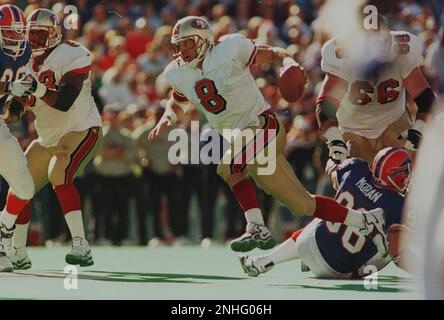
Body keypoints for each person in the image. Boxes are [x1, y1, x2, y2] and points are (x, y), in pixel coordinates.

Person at [148, 16, 387, 254]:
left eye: (188, 43)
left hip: (265, 125)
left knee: (227, 166)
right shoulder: (177, 72)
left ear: (203, 39)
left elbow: (273, 54)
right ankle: (365, 221)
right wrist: (169, 116)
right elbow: (178, 98)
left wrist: (289, 63)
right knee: (302, 204)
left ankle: (256, 227)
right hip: (246, 145)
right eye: (179, 45)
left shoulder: (229, 48)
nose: (182, 50)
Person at [2, 8, 102, 270]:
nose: (33, 40)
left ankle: (81, 244)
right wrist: (8, 113)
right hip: (48, 138)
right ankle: (19, 251)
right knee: (21, 184)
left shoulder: (71, 54)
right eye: (29, 34)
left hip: (81, 128)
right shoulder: (24, 61)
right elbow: (18, 108)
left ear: (54, 34)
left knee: (59, 172)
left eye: (39, 34)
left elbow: (66, 101)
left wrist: (37, 88)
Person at [240, 147, 412, 279]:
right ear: (394, 175)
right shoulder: (398, 204)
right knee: (391, 242)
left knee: (323, 220)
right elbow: (398, 252)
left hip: (307, 245)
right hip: (339, 270)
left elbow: (331, 166)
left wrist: (336, 157)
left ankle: (266, 260)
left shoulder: (355, 168)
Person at [316, 14, 436, 164]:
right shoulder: (341, 54)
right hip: (353, 130)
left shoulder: (402, 50)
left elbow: (426, 98)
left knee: (414, 168)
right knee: (347, 172)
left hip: (394, 123)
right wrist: (334, 138)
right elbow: (326, 104)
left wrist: (418, 130)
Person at [0, 4, 35, 272]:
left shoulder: (24, 54)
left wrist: (18, 105)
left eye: (18, 32)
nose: (14, 38)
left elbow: (20, 98)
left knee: (24, 186)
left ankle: (3, 236)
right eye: (8, 32)